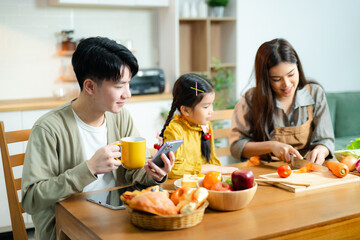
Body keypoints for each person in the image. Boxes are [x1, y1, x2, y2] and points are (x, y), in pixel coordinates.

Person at [21, 37, 175, 240]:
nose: (127, 94)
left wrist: (155, 173)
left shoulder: (121, 117)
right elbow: (31, 199)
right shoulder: (49, 129)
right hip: (67, 228)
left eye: (128, 84)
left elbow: (133, 173)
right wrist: (89, 168)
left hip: (117, 217)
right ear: (90, 87)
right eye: (120, 86)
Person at [230, 38, 335, 165]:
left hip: (306, 169)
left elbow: (325, 140)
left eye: (291, 75)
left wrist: (321, 150)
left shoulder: (315, 93)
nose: (286, 84)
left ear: (298, 68)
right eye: (276, 79)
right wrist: (271, 146)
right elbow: (236, 146)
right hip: (264, 171)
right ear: (265, 79)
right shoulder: (251, 99)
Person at [159, 73, 238, 179]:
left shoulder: (205, 125)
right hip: (185, 185)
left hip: (205, 182)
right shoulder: (174, 130)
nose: (211, 111)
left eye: (212, 104)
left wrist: (220, 172)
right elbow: (174, 170)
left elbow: (212, 159)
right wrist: (211, 168)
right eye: (206, 107)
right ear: (186, 110)